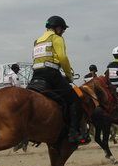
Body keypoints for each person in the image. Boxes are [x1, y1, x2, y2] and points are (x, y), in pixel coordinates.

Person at [31, 15, 88, 144]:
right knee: (74, 100)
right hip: (51, 74)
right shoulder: (56, 38)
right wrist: (69, 74)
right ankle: (74, 133)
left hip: (36, 75)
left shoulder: (37, 41)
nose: (63, 32)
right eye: (63, 29)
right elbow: (62, 58)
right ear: (57, 28)